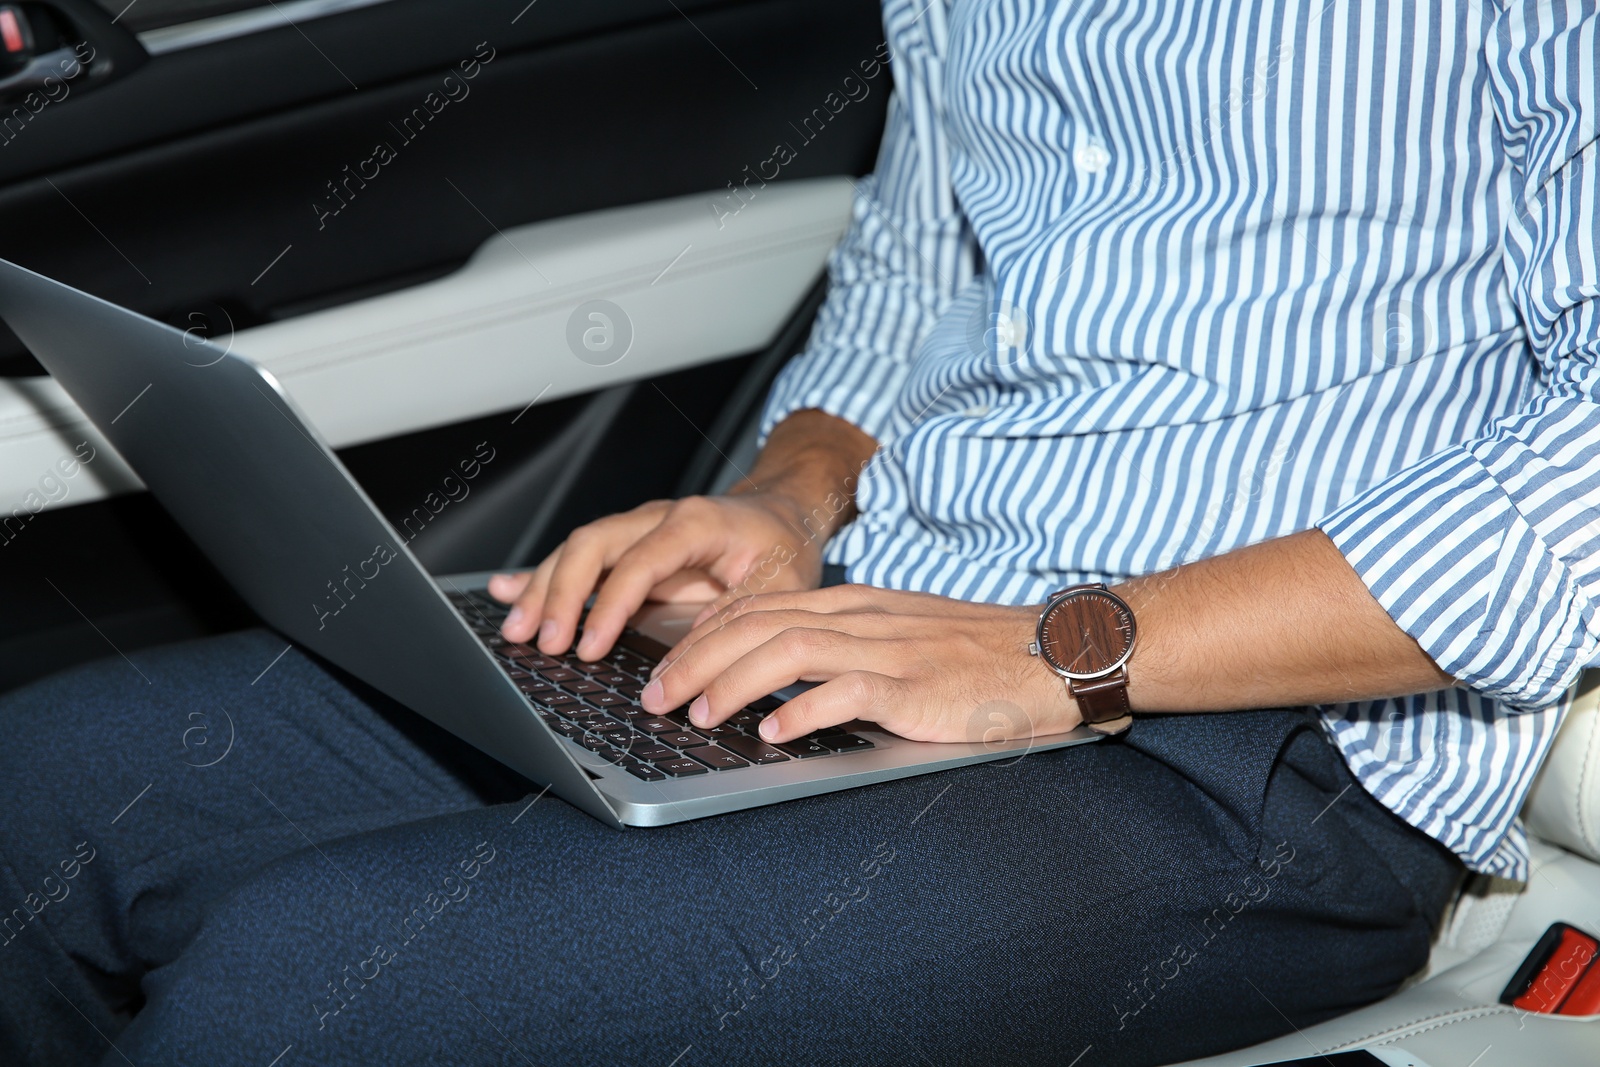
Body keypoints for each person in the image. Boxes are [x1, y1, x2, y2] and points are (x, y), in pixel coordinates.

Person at [2, 1, 1595, 1064]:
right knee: (38, 789)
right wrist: (789, 497)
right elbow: (922, 258)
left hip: (1255, 740)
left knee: (287, 981)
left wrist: (1066, 651)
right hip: (869, 629)